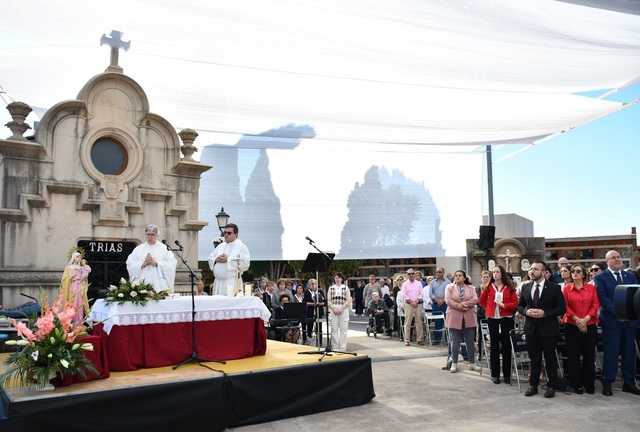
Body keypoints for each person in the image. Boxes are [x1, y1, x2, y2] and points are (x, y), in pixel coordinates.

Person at [594, 249, 640, 396]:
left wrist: (630, 313)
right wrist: (620, 311)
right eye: (613, 258)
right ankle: (607, 382)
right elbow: (603, 298)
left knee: (629, 353)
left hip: (629, 321)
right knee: (611, 353)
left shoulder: (630, 276)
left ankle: (629, 382)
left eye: (618, 257)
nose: (617, 259)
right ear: (607, 262)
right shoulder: (601, 277)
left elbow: (636, 295)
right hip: (612, 321)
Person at [517, 260, 566, 398]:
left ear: (544, 272)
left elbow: (562, 308)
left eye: (536, 269)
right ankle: (533, 385)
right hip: (531, 329)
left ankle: (551, 386)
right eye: (531, 269)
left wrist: (545, 313)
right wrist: (526, 312)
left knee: (550, 359)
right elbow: (519, 306)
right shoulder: (526, 288)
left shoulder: (554, 288)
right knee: (534, 359)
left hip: (548, 330)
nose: (532, 271)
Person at [562, 263, 600, 394]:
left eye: (578, 271)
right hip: (572, 325)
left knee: (589, 356)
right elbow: (565, 306)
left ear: (583, 274)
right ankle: (576, 384)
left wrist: (585, 320)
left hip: (589, 324)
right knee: (573, 356)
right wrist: (578, 320)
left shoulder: (591, 288)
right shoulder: (566, 289)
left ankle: (589, 384)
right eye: (573, 271)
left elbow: (595, 304)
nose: (575, 273)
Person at [479, 265, 518, 384]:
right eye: (494, 272)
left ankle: (507, 374)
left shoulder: (509, 287)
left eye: (497, 272)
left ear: (502, 274)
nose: (495, 274)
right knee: (494, 346)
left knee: (507, 346)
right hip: (493, 318)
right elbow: (481, 300)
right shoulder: (488, 287)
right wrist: (489, 308)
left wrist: (504, 306)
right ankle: (495, 374)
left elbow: (515, 303)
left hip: (506, 317)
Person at [126, 224, 178, 294]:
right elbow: (130, 263)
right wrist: (143, 263)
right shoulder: (139, 249)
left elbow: (172, 263)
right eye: (148, 234)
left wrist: (156, 263)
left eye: (153, 234)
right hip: (142, 281)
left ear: (157, 236)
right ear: (145, 235)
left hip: (159, 283)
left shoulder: (164, 248)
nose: (150, 237)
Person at [445, 270, 479, 373]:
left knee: (470, 341)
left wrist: (463, 305)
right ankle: (454, 362)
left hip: (468, 316)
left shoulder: (471, 288)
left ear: (464, 278)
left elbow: (475, 299)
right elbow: (448, 300)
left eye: (460, 275)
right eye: (456, 275)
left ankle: (472, 363)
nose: (457, 277)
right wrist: (458, 306)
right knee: (455, 342)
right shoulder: (449, 287)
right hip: (454, 317)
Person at [208, 223, 250, 296]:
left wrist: (229, 259)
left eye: (229, 233)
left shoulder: (242, 247)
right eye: (225, 232)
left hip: (231, 282)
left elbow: (245, 263)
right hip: (218, 283)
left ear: (236, 235)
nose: (226, 235)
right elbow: (210, 258)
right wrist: (216, 260)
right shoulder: (220, 246)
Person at [61, 251, 90, 324]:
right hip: (72, 286)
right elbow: (64, 280)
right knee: (73, 302)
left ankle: (79, 322)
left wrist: (84, 278)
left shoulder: (81, 268)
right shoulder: (68, 268)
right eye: (77, 257)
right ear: (73, 258)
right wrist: (70, 277)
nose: (79, 258)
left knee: (80, 303)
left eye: (80, 257)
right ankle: (72, 322)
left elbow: (85, 276)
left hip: (79, 286)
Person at [327, 272, 352, 350]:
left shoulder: (346, 288)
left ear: (342, 279)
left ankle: (342, 348)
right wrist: (334, 308)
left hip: (343, 310)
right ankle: (334, 347)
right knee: (334, 330)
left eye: (338, 278)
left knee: (343, 330)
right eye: (336, 278)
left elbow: (348, 300)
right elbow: (328, 300)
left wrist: (341, 308)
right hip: (333, 310)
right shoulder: (331, 288)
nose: (337, 279)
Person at [401, 268, 424, 346]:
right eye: (409, 274)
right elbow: (404, 294)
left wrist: (416, 301)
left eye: (412, 273)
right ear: (407, 275)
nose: (411, 275)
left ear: (414, 274)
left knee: (419, 323)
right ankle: (407, 340)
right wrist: (411, 302)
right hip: (408, 304)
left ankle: (419, 339)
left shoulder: (419, 283)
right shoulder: (404, 284)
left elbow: (421, 293)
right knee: (407, 323)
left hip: (418, 304)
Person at [429, 268, 451, 345]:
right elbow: (430, 293)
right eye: (437, 272)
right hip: (436, 304)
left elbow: (450, 293)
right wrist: (437, 300)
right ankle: (437, 339)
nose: (438, 273)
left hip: (445, 304)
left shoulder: (448, 282)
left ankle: (448, 339)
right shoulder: (432, 282)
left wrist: (443, 300)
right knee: (437, 322)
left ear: (443, 273)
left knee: (447, 322)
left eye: (440, 272)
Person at [303, 278, 325, 346]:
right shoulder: (307, 292)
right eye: (311, 284)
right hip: (310, 312)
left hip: (318, 312)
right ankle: (308, 340)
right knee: (309, 327)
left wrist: (319, 304)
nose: (312, 285)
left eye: (314, 283)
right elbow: (304, 302)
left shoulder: (320, 292)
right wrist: (312, 304)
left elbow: (324, 302)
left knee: (319, 328)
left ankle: (320, 342)